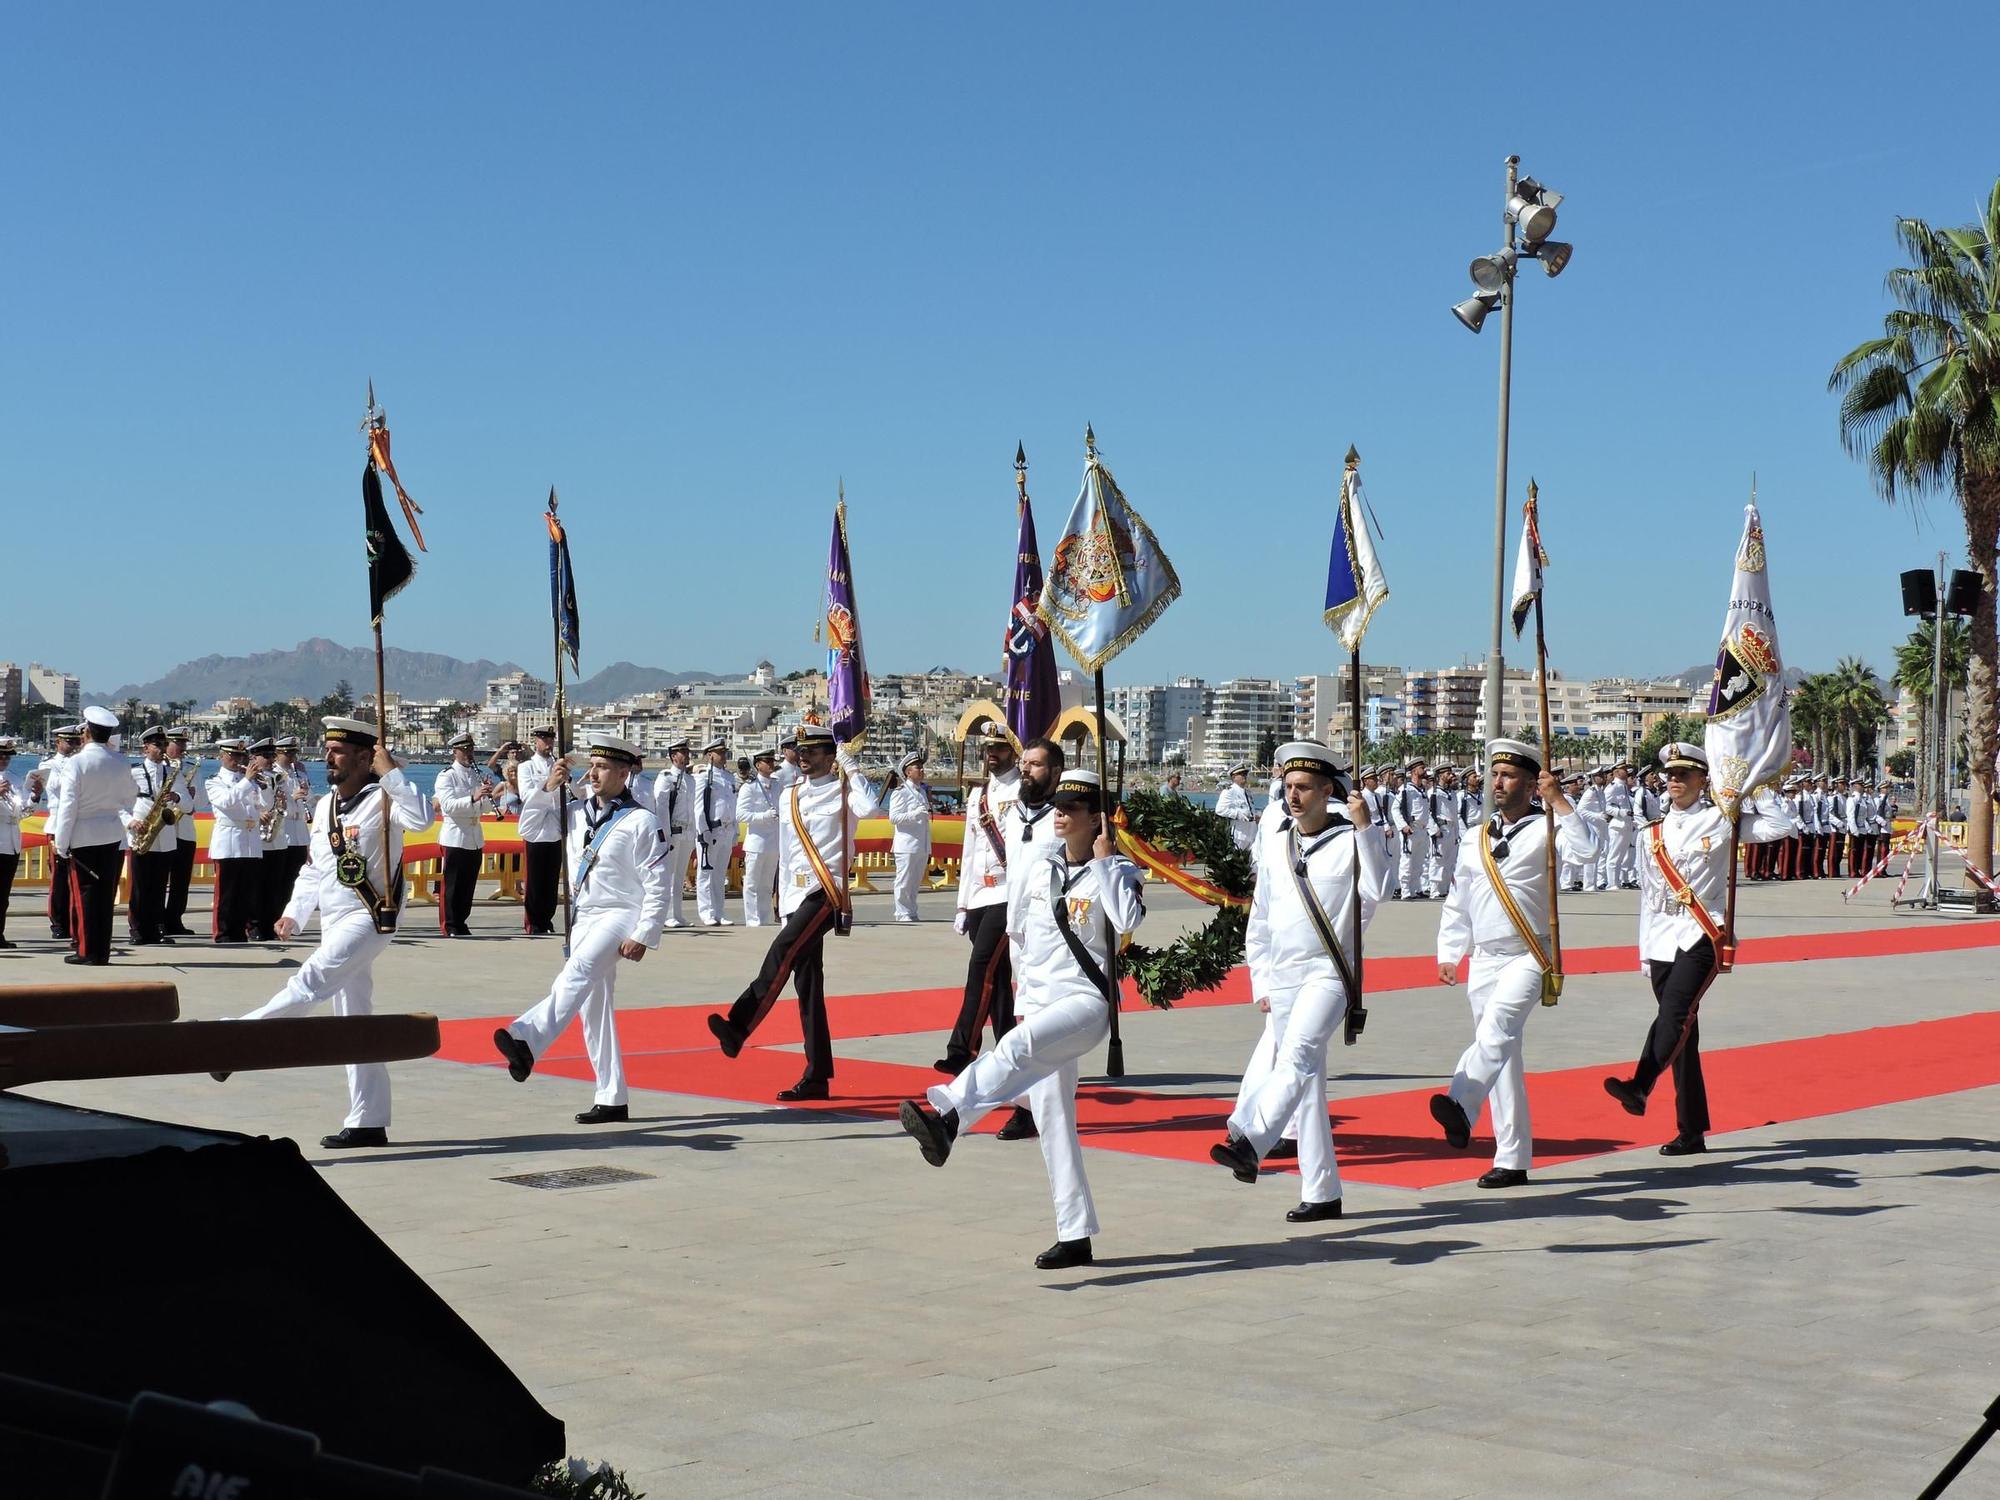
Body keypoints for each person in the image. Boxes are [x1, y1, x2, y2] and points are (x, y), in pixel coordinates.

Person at [899, 768, 1144, 1270]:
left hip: (1086, 1004)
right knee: (1054, 1122)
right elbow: (1023, 940)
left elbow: (1128, 921)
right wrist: (1024, 1001)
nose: (1060, 814)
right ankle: (1075, 1235)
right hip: (1040, 1001)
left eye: (1072, 809)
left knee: (1010, 1049)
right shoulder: (1040, 866)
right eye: (1057, 805)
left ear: (1096, 819)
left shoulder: (1117, 868)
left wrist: (1105, 864)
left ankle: (948, 1116)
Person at [218, 717, 434, 1147]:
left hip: (371, 915)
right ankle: (368, 1119)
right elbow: (315, 868)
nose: (327, 758)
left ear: (362, 757)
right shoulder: (326, 806)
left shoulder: (385, 799)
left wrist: (391, 772)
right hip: (334, 917)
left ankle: (234, 1041)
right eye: (327, 750)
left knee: (310, 981)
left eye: (337, 752)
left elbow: (422, 819)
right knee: (353, 1020)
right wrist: (295, 913)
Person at [1208, 741, 1381, 1222]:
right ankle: (1323, 1191)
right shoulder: (1276, 840)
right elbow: (1261, 917)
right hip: (1283, 976)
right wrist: (1260, 979)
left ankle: (1251, 1141)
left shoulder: (1350, 840)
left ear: (1329, 790)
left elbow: (1379, 889)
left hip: (1328, 972)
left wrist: (1366, 827)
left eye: (1304, 787)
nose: (1294, 795)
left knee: (1297, 1056)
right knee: (1307, 1086)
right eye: (1288, 786)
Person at [1604, 742, 1796, 1156]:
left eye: (1684, 774)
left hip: (1702, 933)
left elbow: (1780, 827)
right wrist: (1642, 952)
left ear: (1702, 780)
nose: (1674, 781)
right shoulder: (1650, 832)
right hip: (1660, 938)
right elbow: (1647, 897)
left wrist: (1751, 784)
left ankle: (1640, 1084)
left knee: (1674, 1013)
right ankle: (1691, 1131)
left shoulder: (1720, 819)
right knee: (1682, 1034)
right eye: (1670, 774)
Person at [1427, 739, 1603, 1188]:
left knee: (1496, 1031)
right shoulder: (1475, 836)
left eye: (1508, 776)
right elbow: (1458, 899)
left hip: (1530, 953)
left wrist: (1560, 801)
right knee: (1504, 1058)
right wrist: (1450, 951)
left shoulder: (1549, 828)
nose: (1497, 783)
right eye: (1494, 775)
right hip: (1484, 957)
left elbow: (1588, 852)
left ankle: (1461, 1104)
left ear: (1530, 785)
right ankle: (1512, 1158)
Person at [494, 734, 670, 1125]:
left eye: (603, 767)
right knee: (594, 1008)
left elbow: (658, 881)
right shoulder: (573, 811)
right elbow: (530, 828)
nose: (592, 773)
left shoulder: (642, 820)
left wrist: (646, 933)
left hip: (621, 912)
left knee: (576, 973)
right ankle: (611, 1097)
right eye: (591, 765)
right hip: (583, 916)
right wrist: (546, 788)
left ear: (624, 773)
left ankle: (527, 1038)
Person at [705, 724, 881, 1101]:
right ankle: (817, 1074)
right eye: (800, 750)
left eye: (814, 751)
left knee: (781, 953)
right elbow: (787, 848)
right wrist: (781, 899)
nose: (803, 756)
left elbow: (871, 808)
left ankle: (739, 1025)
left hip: (825, 891)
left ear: (830, 757)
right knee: (808, 986)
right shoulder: (789, 795)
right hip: (794, 894)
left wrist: (850, 765)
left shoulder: (845, 790)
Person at [939, 730, 1023, 1074]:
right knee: (997, 979)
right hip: (980, 895)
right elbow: (970, 851)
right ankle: (1011, 1053)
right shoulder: (978, 794)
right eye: (988, 748)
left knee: (980, 966)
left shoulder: (1024, 790)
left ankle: (962, 1050)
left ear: (1013, 751)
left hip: (1008, 891)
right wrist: (962, 904)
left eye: (999, 748)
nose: (991, 753)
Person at [48, 707, 134, 966]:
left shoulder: (77, 762)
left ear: (86, 731)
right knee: (104, 896)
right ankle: (102, 950)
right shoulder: (120, 761)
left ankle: (87, 951)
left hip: (83, 835)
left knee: (85, 895)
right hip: (110, 834)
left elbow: (68, 807)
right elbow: (129, 799)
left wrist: (61, 844)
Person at [206, 736, 273, 944]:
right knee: (226, 894)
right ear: (222, 756)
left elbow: (264, 805)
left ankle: (238, 931)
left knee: (246, 892)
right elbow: (226, 801)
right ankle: (223, 933)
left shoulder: (248, 781)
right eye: (233, 755)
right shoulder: (214, 781)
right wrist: (247, 781)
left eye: (241, 755)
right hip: (228, 841)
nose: (238, 759)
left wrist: (264, 785)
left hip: (250, 841)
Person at [124, 725, 180, 946]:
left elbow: (188, 803)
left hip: (164, 835)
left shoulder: (173, 772)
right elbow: (122, 802)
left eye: (164, 744)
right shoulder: (134, 771)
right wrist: (131, 822)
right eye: (158, 745)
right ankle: (137, 929)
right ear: (145, 747)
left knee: (159, 885)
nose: (162, 748)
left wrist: (176, 796)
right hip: (141, 832)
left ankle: (156, 928)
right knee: (140, 886)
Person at [434, 731, 489, 937]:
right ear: (455, 751)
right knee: (452, 885)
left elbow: (481, 809)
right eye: (464, 750)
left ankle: (461, 922)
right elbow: (448, 806)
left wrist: (484, 798)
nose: (469, 753)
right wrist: (473, 798)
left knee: (468, 884)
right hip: (455, 834)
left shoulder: (475, 774)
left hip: (474, 835)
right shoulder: (446, 775)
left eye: (471, 749)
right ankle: (449, 924)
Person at [34, 724, 81, 941]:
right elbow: (57, 788)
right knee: (59, 878)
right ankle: (58, 922)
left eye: (75, 741)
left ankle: (74, 921)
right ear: (58, 742)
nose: (72, 745)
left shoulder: (80, 763)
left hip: (78, 824)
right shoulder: (48, 765)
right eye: (68, 741)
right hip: (57, 822)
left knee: (77, 877)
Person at [517, 726, 565, 935]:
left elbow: (565, 797)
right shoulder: (527, 767)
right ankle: (534, 921)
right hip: (536, 828)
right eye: (544, 739)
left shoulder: (557, 765)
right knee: (535, 879)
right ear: (536, 741)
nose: (548, 743)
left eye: (551, 739)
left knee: (551, 879)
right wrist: (549, 784)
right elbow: (527, 796)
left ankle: (547, 919)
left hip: (554, 828)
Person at [161, 727, 206, 936]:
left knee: (181, 880)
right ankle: (158, 918)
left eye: (183, 745)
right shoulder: (159, 768)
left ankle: (175, 919)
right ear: (166, 744)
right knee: (160, 879)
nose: (181, 749)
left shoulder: (190, 769)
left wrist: (191, 796)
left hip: (185, 830)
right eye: (177, 744)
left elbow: (203, 801)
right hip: (164, 829)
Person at [651, 738, 697, 929]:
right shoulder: (666, 777)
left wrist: (694, 833)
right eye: (682, 752)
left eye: (687, 752)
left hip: (686, 832)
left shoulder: (690, 779)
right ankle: (668, 915)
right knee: (669, 876)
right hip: (673, 831)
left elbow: (693, 808)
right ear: (673, 756)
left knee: (679, 876)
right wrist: (665, 834)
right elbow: (661, 807)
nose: (686, 756)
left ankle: (678, 914)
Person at [693, 738, 738, 926]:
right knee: (705, 873)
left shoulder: (729, 777)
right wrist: (703, 830)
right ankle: (706, 912)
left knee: (720, 874)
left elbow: (733, 805)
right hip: (712, 829)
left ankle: (719, 911)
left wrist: (735, 831)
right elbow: (698, 807)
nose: (723, 756)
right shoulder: (704, 776)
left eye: (724, 752)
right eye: (719, 752)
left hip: (726, 830)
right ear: (709, 755)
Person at [736, 749, 782, 927]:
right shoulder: (750, 787)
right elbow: (740, 814)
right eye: (766, 761)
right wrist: (763, 816)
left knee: (767, 885)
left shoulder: (777, 786)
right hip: (756, 841)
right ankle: (753, 919)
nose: (770, 764)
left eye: (771, 761)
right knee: (752, 884)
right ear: (757, 765)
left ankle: (764, 918)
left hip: (774, 842)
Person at [887, 750, 932, 922]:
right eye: (917, 768)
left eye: (921, 768)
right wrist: (915, 814)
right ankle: (901, 912)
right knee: (904, 880)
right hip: (906, 843)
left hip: (921, 842)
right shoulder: (901, 792)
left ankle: (911, 909)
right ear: (907, 772)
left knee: (915, 881)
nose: (921, 770)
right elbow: (894, 818)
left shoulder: (920, 792)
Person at [1390, 757, 1433, 900]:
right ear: (1414, 771)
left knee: (1419, 862)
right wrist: (1403, 826)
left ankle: (1414, 889)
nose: (1425, 770)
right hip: (1411, 829)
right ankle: (1406, 891)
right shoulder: (1405, 789)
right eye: (1422, 768)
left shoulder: (1422, 790)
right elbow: (1395, 809)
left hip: (1422, 830)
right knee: (1407, 862)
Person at [0, 737, 23, 948]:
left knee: (3, 894)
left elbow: (23, 811)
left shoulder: (14, 779)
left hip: (11, 841)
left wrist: (34, 796)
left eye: (8, 756)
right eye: (1, 755)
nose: (5, 759)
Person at [1602, 763, 1637, 890]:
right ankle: (1612, 883)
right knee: (1614, 855)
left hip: (1627, 824)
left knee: (1622, 856)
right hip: (1617, 824)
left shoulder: (1624, 787)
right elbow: (1606, 806)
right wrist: (1621, 812)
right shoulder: (1612, 787)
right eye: (1623, 769)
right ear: (1616, 772)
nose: (1626, 771)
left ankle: (1617, 881)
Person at [1215, 765, 1258, 852]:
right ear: (1234, 777)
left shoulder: (1248, 793)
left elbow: (1250, 810)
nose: (1244, 776)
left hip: (1252, 834)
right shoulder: (1229, 792)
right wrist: (1238, 814)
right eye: (1241, 774)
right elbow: (1220, 809)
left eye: (1245, 774)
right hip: (1239, 835)